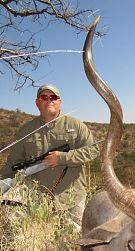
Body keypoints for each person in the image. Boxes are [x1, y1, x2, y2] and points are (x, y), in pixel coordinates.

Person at [0, 84, 99, 225]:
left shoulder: (76, 125)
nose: (49, 100)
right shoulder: (26, 130)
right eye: (44, 97)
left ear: (60, 102)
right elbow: (13, 163)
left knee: (76, 240)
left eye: (53, 97)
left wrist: (62, 158)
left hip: (71, 197)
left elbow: (93, 150)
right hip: (37, 198)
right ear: (37, 102)